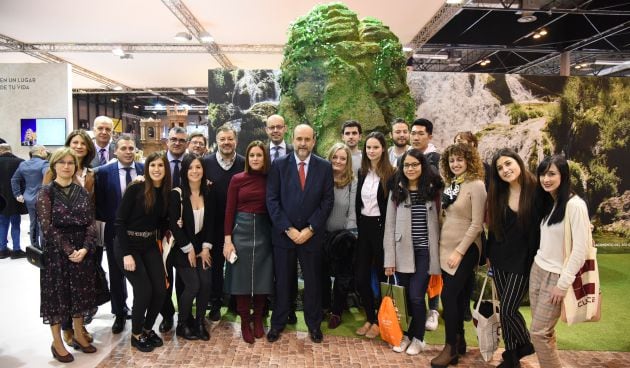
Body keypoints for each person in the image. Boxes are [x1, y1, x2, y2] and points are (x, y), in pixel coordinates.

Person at [266, 124, 334, 344]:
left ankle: (314, 325)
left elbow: (327, 201)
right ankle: (278, 323)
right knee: (283, 282)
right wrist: (289, 228)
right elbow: (272, 200)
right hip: (284, 236)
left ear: (314, 141)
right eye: (299, 139)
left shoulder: (324, 167)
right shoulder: (278, 165)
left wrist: (310, 229)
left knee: (313, 283)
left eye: (307, 139)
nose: (303, 143)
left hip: (311, 237)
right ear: (292, 140)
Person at [37, 148, 99, 363]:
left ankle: (80, 335)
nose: (66, 166)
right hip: (57, 253)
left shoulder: (81, 191)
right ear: (54, 166)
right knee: (57, 298)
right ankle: (57, 342)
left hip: (82, 251)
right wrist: (69, 250)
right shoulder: (46, 192)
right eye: (62, 162)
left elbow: (90, 222)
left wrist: (85, 248)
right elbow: (47, 226)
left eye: (70, 163)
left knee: (80, 295)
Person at [529, 155, 590, 368]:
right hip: (538, 270)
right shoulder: (550, 202)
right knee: (543, 332)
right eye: (543, 174)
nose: (546, 179)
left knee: (539, 333)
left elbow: (580, 250)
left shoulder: (575, 205)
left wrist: (562, 284)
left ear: (563, 176)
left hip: (555, 277)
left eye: (551, 174)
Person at [431, 143, 486, 368]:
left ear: (469, 160)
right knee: (460, 295)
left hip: (466, 248)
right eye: (452, 160)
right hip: (446, 245)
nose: (455, 164)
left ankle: (450, 348)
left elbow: (477, 224)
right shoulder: (452, 184)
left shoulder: (477, 185)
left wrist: (459, 252)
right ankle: (460, 340)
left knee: (449, 296)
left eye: (460, 160)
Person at [384, 149, 443, 355]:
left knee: (417, 297)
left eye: (414, 165)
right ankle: (406, 335)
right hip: (402, 253)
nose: (410, 169)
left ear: (422, 166)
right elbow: (389, 227)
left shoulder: (433, 190)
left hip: (425, 253)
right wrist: (389, 259)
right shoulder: (396, 191)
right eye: (406, 165)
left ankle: (419, 338)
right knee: (405, 298)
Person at [486, 148, 538, 367]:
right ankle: (511, 355)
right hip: (499, 257)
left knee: (508, 309)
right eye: (499, 168)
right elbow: (493, 228)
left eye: (508, 164)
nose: (505, 170)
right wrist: (488, 255)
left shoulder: (536, 190)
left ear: (518, 162)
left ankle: (526, 344)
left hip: (523, 260)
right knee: (505, 311)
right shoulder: (498, 193)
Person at [114, 152, 171, 352]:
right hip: (127, 245)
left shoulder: (166, 192)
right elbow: (119, 222)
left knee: (161, 290)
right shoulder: (136, 188)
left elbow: (162, 221)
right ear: (146, 168)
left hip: (148, 244)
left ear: (166, 169)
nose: (156, 169)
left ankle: (147, 329)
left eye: (161, 165)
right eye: (152, 165)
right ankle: (136, 334)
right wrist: (126, 253)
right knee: (144, 290)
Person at [223, 141, 273, 344]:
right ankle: (245, 321)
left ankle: (259, 318)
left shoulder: (271, 178)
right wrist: (227, 240)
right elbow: (229, 210)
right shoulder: (237, 179)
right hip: (240, 231)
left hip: (264, 232)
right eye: (251, 155)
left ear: (265, 158)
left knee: (263, 276)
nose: (255, 159)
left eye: (259, 155)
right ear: (247, 157)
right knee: (241, 279)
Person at [94, 134, 143, 334]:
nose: (128, 152)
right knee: (116, 274)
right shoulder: (103, 173)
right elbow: (99, 203)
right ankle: (120, 312)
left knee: (141, 273)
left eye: (131, 148)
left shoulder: (144, 170)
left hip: (140, 232)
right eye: (124, 148)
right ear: (115, 151)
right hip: (115, 232)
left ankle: (140, 309)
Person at [354, 131, 396, 339]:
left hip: (382, 229)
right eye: (368, 147)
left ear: (383, 149)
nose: (371, 151)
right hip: (364, 228)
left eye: (375, 147)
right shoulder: (362, 172)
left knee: (381, 277)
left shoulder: (392, 174)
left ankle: (380, 320)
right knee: (361, 277)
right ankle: (369, 317)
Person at [203, 124, 245, 322]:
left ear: (236, 140)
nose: (226, 142)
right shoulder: (205, 163)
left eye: (230, 139)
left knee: (237, 264)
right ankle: (216, 302)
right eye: (222, 139)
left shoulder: (244, 163)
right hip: (213, 223)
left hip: (239, 224)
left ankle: (236, 302)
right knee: (216, 265)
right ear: (216, 141)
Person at [169, 153, 214, 341]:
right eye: (190, 168)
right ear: (184, 171)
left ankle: (199, 322)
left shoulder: (209, 191)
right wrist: (188, 248)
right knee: (193, 285)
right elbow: (173, 225)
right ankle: (181, 323)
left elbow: (211, 223)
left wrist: (205, 248)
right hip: (181, 249)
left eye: (198, 167)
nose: (195, 171)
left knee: (206, 283)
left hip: (202, 248)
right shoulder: (176, 194)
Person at [265, 115, 298, 324]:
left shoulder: (296, 154)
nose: (275, 130)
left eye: (279, 127)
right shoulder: (259, 153)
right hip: (265, 218)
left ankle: (290, 307)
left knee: (290, 269)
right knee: (268, 266)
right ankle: (269, 305)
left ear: (285, 128)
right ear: (266, 130)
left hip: (289, 222)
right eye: (272, 127)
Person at [322, 143, 357, 329]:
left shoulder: (352, 181)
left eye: (343, 158)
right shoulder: (322, 178)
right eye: (335, 157)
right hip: (321, 234)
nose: (338, 161)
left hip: (343, 237)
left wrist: (350, 233)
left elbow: (352, 211)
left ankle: (337, 311)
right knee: (322, 274)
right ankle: (324, 307)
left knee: (342, 277)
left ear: (348, 161)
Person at [411, 118, 441, 330]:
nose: (416, 137)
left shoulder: (435, 159)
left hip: (432, 219)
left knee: (432, 266)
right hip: (412, 222)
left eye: (421, 133)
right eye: (414, 133)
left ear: (429, 136)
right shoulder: (409, 157)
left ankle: (433, 310)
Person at [160, 126, 188, 332]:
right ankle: (167, 315)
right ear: (166, 141)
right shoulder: (157, 164)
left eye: (181, 140)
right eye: (173, 139)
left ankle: (185, 316)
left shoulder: (193, 163)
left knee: (185, 277)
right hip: (162, 230)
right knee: (164, 275)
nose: (177, 143)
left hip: (187, 228)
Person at [11, 145, 48, 249]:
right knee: (43, 224)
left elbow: (14, 180)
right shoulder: (44, 163)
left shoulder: (23, 164)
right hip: (43, 199)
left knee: (33, 223)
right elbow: (47, 177)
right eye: (45, 151)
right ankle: (45, 249)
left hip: (28, 198)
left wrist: (17, 194)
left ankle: (34, 247)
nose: (47, 153)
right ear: (41, 151)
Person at [0, 143, 28, 259]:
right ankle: (16, 250)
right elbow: (24, 180)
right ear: (10, 150)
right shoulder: (20, 162)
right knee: (16, 224)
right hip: (15, 198)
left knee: (2, 224)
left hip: (1, 199)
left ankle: (2, 250)